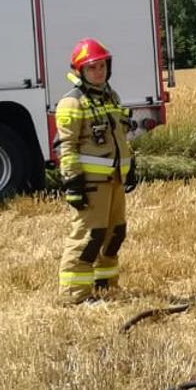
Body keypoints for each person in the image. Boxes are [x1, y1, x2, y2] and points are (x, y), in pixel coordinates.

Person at [55, 38, 137, 303]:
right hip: (90, 184)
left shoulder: (111, 97)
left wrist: (130, 166)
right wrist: (73, 183)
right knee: (89, 237)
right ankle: (74, 295)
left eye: (102, 66)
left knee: (115, 234)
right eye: (92, 68)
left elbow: (121, 137)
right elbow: (66, 147)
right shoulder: (72, 103)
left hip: (114, 180)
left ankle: (106, 287)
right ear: (80, 71)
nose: (98, 72)